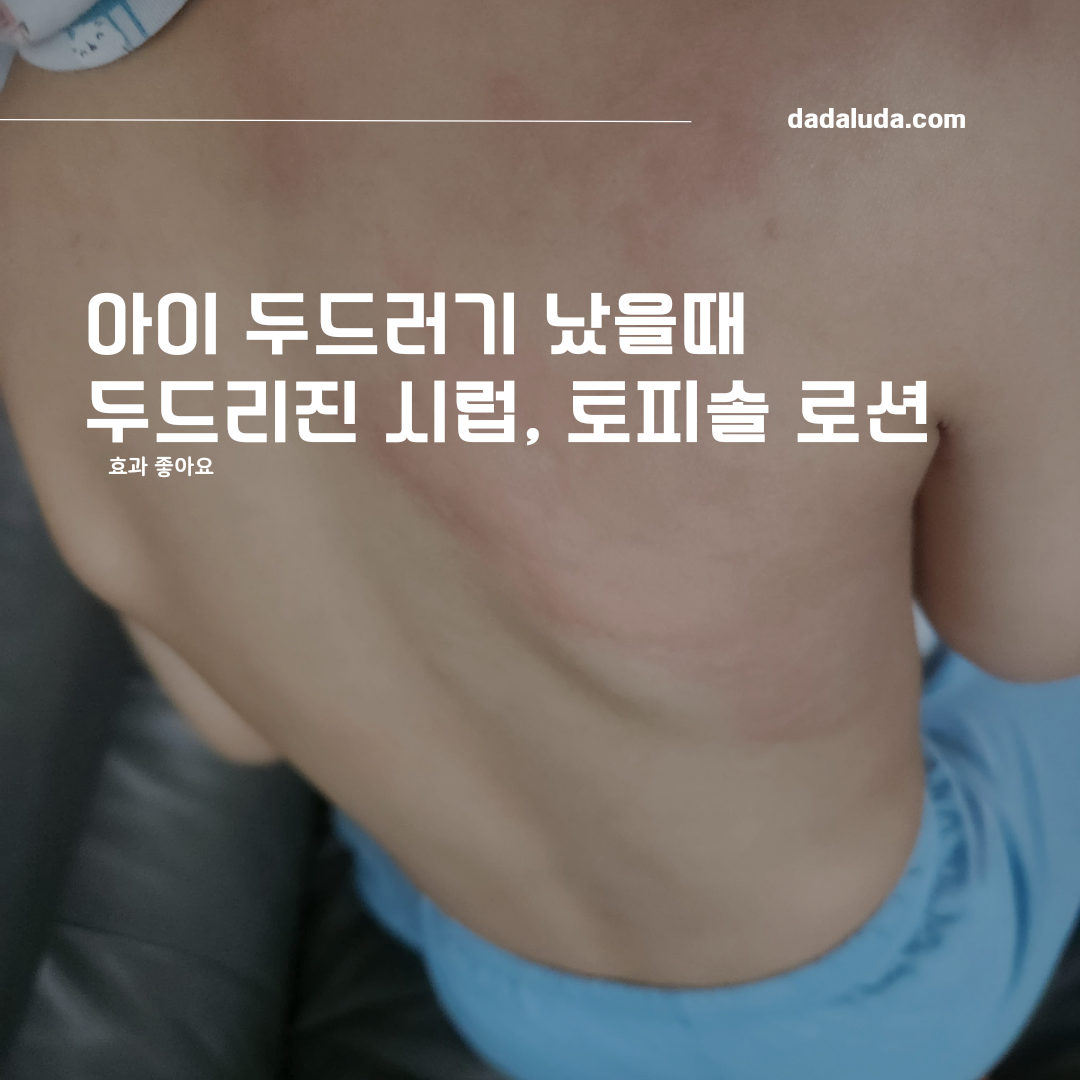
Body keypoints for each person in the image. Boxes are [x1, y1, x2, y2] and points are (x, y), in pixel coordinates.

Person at [1, 1, 1078, 1077]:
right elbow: (1030, 631)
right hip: (869, 1006)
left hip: (478, 959)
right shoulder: (941, 61)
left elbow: (233, 722)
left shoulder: (36, 174)